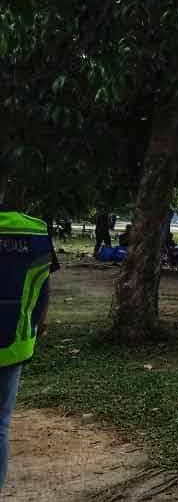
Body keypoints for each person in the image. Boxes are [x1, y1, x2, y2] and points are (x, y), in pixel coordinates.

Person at [0, 205, 57, 489]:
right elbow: (45, 286)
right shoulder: (33, 230)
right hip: (15, 344)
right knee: (1, 425)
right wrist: (40, 324)